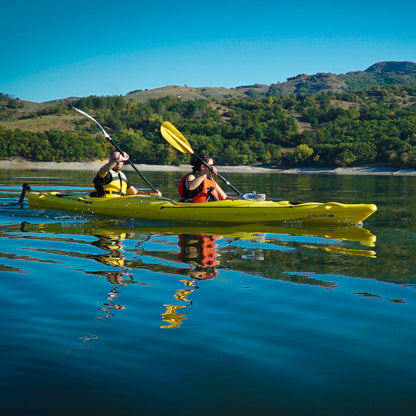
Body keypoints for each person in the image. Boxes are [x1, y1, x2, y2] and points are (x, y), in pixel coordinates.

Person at [91, 151, 162, 197]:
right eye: (115, 160)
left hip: (120, 202)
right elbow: (104, 170)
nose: (118, 163)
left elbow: (135, 193)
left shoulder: (122, 176)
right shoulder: (105, 174)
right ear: (110, 161)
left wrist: (151, 193)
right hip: (104, 201)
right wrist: (117, 160)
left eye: (121, 161)